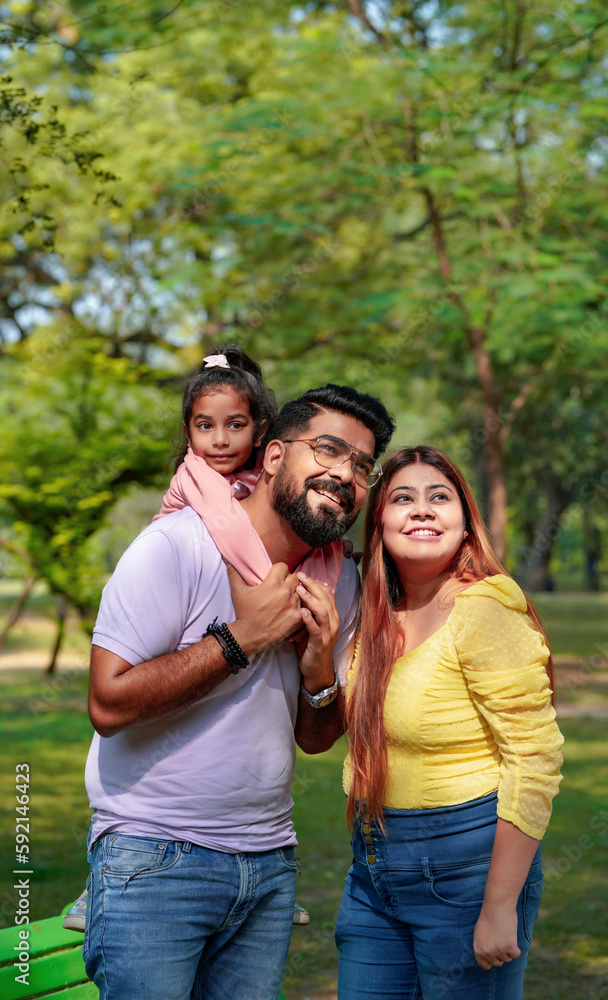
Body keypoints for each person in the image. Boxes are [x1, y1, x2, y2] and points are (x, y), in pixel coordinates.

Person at [80, 382, 395, 1000]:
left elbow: (315, 738)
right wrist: (242, 639)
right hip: (154, 857)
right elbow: (106, 704)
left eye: (361, 465)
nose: (344, 475)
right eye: (327, 451)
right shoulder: (176, 547)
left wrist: (318, 674)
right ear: (274, 456)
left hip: (269, 863)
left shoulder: (340, 582)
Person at [63, 344, 318, 929]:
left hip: (258, 836)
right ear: (187, 433)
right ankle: (99, 888)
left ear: (260, 433)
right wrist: (267, 601)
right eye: (205, 426)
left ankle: (267, 880)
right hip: (150, 832)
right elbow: (234, 533)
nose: (220, 440)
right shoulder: (196, 481)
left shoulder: (258, 479)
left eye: (235, 425)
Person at [304, 445, 564, 1000]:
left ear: (466, 523)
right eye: (402, 498)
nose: (421, 510)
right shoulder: (373, 615)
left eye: (438, 497)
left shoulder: (484, 610)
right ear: (379, 525)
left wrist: (498, 906)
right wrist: (320, 661)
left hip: (467, 867)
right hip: (373, 865)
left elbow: (534, 759)